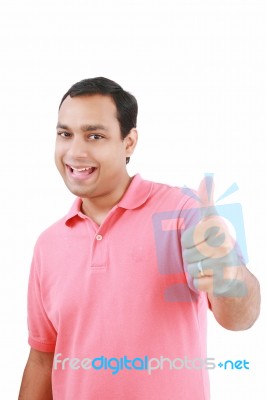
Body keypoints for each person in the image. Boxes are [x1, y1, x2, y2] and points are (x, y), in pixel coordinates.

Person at [19, 77, 260, 399]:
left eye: (95, 135)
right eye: (65, 134)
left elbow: (239, 319)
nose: (75, 151)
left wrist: (230, 277)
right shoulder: (48, 244)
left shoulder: (180, 212)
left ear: (129, 142)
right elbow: (42, 360)